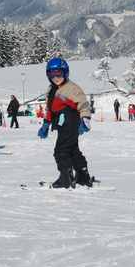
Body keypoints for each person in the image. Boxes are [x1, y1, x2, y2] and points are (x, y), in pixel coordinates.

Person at [37, 57, 94, 188]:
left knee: (61, 150)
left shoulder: (71, 88)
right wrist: (46, 124)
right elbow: (50, 108)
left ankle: (65, 177)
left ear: (65, 73)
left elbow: (83, 103)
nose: (56, 77)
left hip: (70, 120)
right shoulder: (52, 90)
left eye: (59, 74)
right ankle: (82, 174)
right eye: (52, 74)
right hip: (62, 123)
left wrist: (85, 119)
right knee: (73, 149)